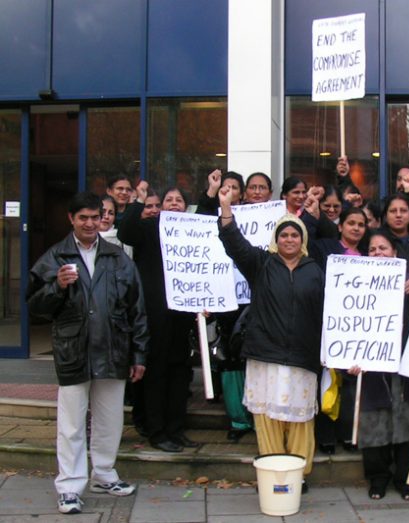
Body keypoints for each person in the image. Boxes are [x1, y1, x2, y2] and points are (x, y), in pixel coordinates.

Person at [26, 191, 147, 515]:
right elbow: (35, 306)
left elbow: (137, 308)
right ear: (71, 219)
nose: (91, 223)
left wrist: (139, 355)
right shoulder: (55, 257)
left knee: (109, 420)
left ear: (104, 217)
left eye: (96, 217)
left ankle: (104, 474)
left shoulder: (118, 257)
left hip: (113, 349)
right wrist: (57, 287)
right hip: (73, 351)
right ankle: (69, 486)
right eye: (84, 218)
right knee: (71, 424)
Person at [218, 185, 325, 491]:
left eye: (294, 235)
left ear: (302, 239)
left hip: (302, 358)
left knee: (300, 419)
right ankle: (274, 473)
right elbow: (234, 243)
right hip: (265, 355)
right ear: (276, 239)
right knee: (268, 418)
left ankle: (298, 474)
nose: (289, 239)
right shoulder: (261, 264)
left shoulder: (316, 270)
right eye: (284, 235)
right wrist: (226, 208)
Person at [347, 231, 409, 501]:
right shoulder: (353, 283)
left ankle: (408, 479)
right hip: (373, 371)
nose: (378, 253)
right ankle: (377, 478)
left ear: (395, 252)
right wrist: (348, 360)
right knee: (374, 425)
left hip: (408, 371)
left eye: (383, 248)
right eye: (372, 249)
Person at [117, 181, 196, 453]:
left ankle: (176, 429)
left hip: (181, 315)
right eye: (169, 200)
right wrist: (138, 202)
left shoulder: (194, 233)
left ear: (187, 208)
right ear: (161, 207)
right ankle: (157, 430)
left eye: (179, 200)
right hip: (154, 315)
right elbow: (126, 231)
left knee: (179, 373)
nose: (174, 203)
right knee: (156, 373)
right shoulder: (151, 228)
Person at [196, 168, 254, 441]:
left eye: (234, 188)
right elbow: (198, 230)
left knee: (254, 358)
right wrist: (211, 193)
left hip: (254, 299)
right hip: (226, 298)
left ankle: (256, 415)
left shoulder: (260, 216)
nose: (228, 191)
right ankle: (238, 419)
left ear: (241, 193)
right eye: (224, 188)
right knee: (231, 359)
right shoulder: (216, 214)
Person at [307, 206, 369, 454]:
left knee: (352, 381)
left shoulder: (369, 254)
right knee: (328, 381)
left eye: (361, 224)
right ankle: (326, 437)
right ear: (340, 226)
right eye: (351, 223)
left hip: (359, 327)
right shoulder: (325, 248)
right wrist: (312, 216)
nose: (356, 228)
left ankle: (348, 434)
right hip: (329, 325)